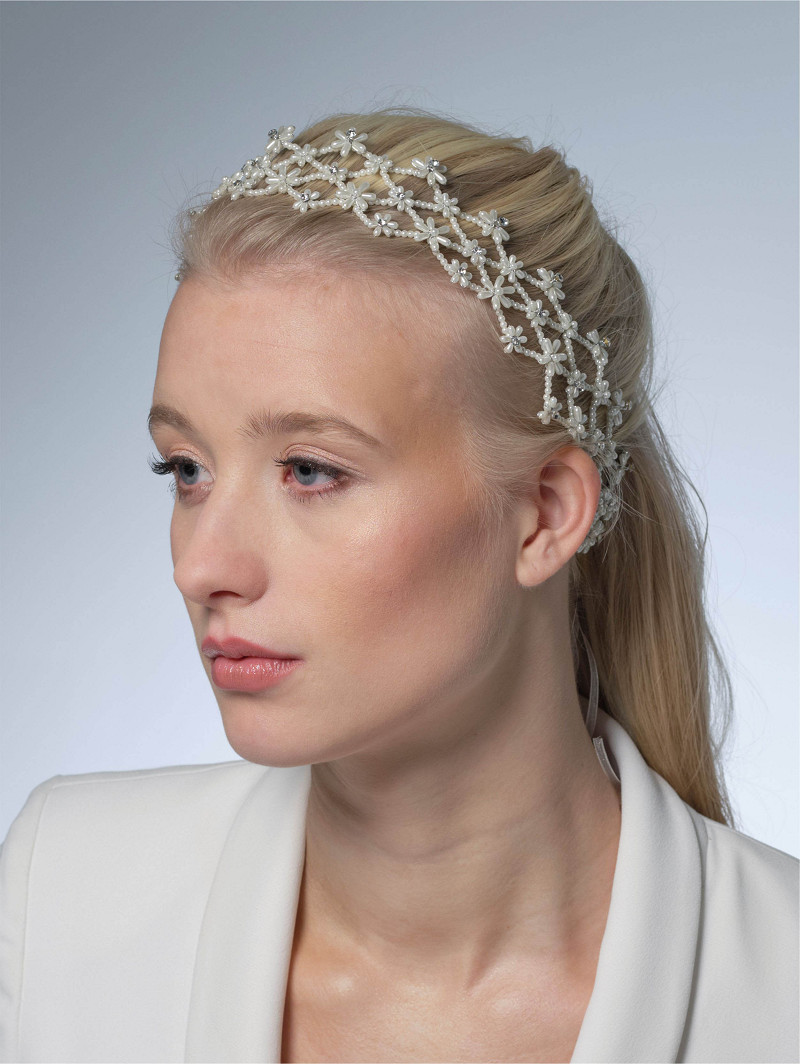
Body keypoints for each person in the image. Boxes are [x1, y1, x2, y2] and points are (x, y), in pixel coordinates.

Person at [0, 108, 797, 1064]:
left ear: (545, 514)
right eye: (187, 470)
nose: (200, 567)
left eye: (310, 470)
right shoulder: (60, 897)